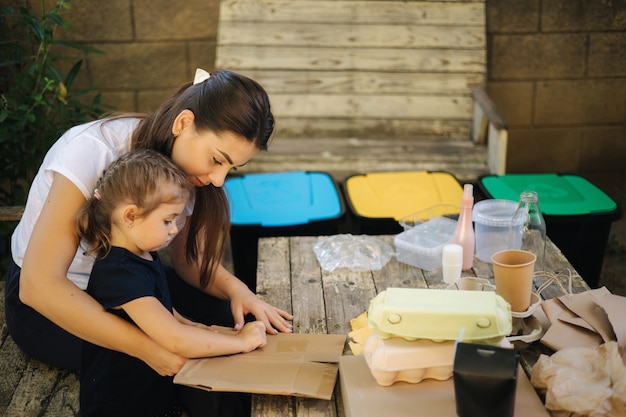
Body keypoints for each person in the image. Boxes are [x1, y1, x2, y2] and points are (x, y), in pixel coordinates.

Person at [5, 68, 293, 415]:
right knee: (170, 361)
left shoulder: (188, 172)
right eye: (217, 160)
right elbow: (38, 287)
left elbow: (189, 261)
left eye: (231, 169)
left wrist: (240, 292)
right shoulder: (92, 151)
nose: (218, 180)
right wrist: (148, 348)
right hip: (52, 304)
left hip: (135, 286)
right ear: (183, 123)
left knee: (237, 327)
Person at [76, 149, 267, 417]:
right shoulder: (118, 274)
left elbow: (158, 306)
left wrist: (189, 324)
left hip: (152, 393)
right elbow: (174, 340)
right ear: (130, 216)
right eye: (167, 220)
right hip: (122, 407)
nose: (175, 229)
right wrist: (242, 342)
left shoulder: (142, 253)